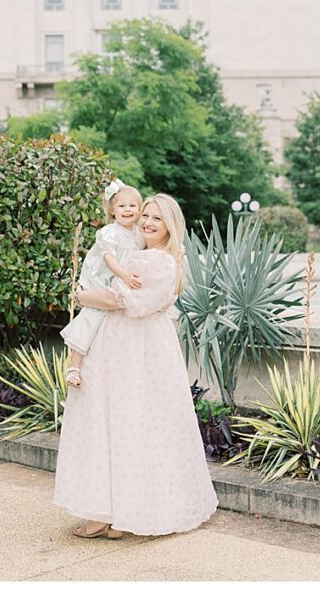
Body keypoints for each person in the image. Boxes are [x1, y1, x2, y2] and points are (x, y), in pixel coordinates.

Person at [53, 193, 218, 539]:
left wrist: (81, 296)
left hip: (137, 355)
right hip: (125, 350)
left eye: (157, 218)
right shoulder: (146, 255)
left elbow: (119, 299)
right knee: (119, 428)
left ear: (169, 225)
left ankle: (118, 513)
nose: (147, 222)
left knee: (128, 427)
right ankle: (110, 512)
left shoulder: (159, 261)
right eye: (145, 215)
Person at [61, 179, 145, 388]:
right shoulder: (109, 232)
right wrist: (124, 275)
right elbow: (108, 259)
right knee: (92, 314)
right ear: (113, 210)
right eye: (121, 206)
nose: (127, 210)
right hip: (100, 277)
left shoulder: (139, 233)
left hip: (119, 280)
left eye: (132, 205)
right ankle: (74, 365)